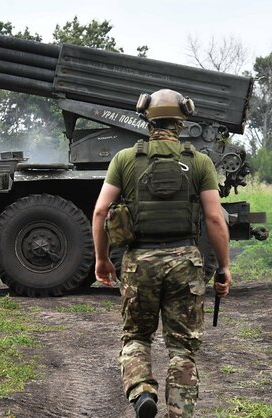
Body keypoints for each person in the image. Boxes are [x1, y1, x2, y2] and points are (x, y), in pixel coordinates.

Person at [91, 89, 232, 418]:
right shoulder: (199, 161)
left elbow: (100, 212)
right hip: (185, 262)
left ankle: (141, 391)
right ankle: (178, 413)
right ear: (182, 120)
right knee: (181, 345)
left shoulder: (125, 159)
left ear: (147, 118)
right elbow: (214, 217)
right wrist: (223, 267)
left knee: (137, 335)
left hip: (139, 262)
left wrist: (102, 259)